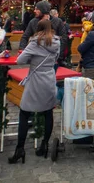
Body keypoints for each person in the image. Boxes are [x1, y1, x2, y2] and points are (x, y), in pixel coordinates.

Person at [9, 19, 60, 164]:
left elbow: (20, 60)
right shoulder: (57, 42)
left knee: (24, 112)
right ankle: (44, 144)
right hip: (49, 77)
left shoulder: (34, 43)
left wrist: (33, 57)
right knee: (48, 112)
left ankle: (20, 149)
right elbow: (56, 58)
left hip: (36, 80)